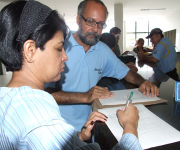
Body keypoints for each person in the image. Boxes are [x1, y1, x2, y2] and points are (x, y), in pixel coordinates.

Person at [0, 1, 143, 149]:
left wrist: (78, 138)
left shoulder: (9, 100)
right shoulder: (41, 123)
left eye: (100, 24)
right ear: (30, 50)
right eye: (59, 48)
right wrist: (130, 126)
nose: (65, 56)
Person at [45, 0, 159, 132]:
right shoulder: (59, 45)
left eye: (101, 24)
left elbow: (126, 72)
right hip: (56, 127)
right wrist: (84, 96)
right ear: (78, 19)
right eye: (90, 21)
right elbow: (42, 93)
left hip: (88, 126)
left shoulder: (102, 50)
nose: (95, 29)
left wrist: (143, 82)